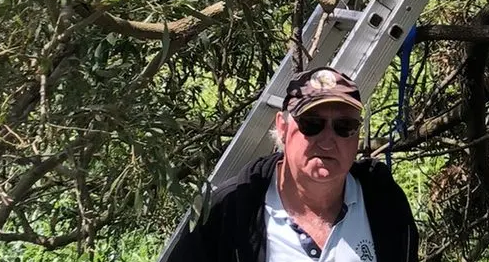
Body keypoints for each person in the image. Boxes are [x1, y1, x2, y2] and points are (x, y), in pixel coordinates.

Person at [170, 67, 419, 262]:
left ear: (357, 134)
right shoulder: (230, 210)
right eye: (312, 124)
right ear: (282, 126)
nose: (328, 140)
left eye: (344, 127)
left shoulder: (384, 202)